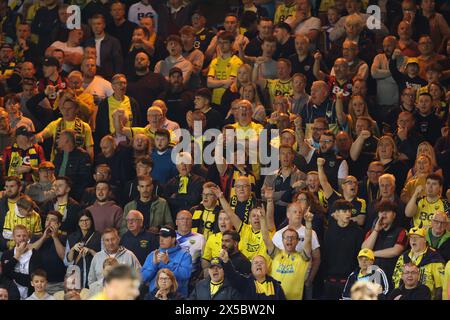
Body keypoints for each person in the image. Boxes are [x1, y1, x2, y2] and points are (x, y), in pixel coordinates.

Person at [322, 200, 364, 300]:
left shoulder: (357, 231)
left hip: (350, 280)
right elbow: (326, 254)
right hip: (330, 280)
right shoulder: (329, 231)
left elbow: (359, 254)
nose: (348, 214)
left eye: (349, 211)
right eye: (344, 211)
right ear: (336, 213)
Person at [362, 201, 408, 284]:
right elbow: (365, 250)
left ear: (394, 215)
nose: (383, 214)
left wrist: (372, 254)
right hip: (372, 275)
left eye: (387, 211)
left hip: (391, 276)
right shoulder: (372, 232)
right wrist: (376, 230)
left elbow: (396, 251)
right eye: (381, 211)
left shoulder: (401, 231)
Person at [392, 226, 445, 300]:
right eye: (411, 237)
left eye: (416, 238)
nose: (413, 240)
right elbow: (396, 280)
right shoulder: (403, 257)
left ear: (424, 239)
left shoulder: (435, 258)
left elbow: (441, 287)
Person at [141, 226, 192, 297]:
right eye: (160, 237)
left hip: (176, 297)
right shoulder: (153, 254)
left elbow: (185, 275)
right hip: (155, 296)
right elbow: (143, 278)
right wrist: (154, 265)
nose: (161, 240)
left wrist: (168, 263)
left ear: (173, 239)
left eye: (165, 237)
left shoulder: (185, 255)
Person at [221, 249, 286, 300]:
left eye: (261, 263)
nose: (259, 264)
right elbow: (232, 276)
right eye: (256, 263)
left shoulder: (276, 286)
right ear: (251, 268)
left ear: (266, 268)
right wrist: (226, 261)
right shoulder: (244, 283)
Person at [95, 73, 141, 142]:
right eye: (120, 83)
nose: (123, 86)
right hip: (111, 140)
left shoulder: (132, 102)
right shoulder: (105, 103)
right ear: (113, 86)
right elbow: (100, 125)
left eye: (124, 83)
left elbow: (138, 122)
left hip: (129, 140)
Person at [29, 211, 66, 294]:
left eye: (52, 220)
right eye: (47, 219)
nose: (49, 222)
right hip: (39, 284)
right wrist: (43, 237)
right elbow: (30, 251)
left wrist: (55, 237)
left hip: (58, 284)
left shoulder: (64, 238)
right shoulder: (36, 237)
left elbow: (64, 256)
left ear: (59, 224)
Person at [1, 225, 42, 299]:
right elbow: (4, 274)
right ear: (13, 237)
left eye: (24, 235)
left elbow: (32, 280)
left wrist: (12, 274)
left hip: (30, 295)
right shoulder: (6, 254)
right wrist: (17, 255)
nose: (22, 238)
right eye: (18, 236)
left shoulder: (36, 255)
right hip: (9, 295)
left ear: (28, 237)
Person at [64, 210, 102, 289]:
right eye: (81, 220)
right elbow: (67, 262)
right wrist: (73, 249)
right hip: (75, 276)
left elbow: (103, 259)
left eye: (87, 220)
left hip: (93, 274)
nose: (84, 223)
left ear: (91, 221)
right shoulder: (71, 237)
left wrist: (90, 251)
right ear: (78, 223)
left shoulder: (99, 236)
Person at [207, 31, 243, 106]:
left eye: (225, 42)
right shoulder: (214, 61)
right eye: (220, 43)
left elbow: (230, 84)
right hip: (215, 101)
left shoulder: (237, 62)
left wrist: (216, 81)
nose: (222, 45)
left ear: (232, 43)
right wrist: (224, 82)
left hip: (230, 101)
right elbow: (209, 83)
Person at [164, 152, 205, 216]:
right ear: (176, 166)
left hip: (193, 215)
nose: (183, 165)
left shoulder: (199, 181)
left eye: (186, 162)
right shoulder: (171, 183)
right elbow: (168, 201)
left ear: (191, 163)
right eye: (180, 163)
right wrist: (187, 197)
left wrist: (176, 196)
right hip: (175, 216)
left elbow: (194, 199)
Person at [85, 14, 123, 80]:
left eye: (98, 24)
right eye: (93, 24)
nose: (96, 26)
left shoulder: (113, 42)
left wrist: (116, 78)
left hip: (108, 77)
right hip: (91, 77)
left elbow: (118, 62)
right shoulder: (88, 42)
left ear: (104, 25)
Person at [175, 210, 205, 283]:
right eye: (182, 219)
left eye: (188, 219)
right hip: (172, 275)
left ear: (192, 222)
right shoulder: (170, 236)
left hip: (192, 276)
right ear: (176, 222)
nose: (185, 222)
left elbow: (204, 260)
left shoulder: (200, 238)